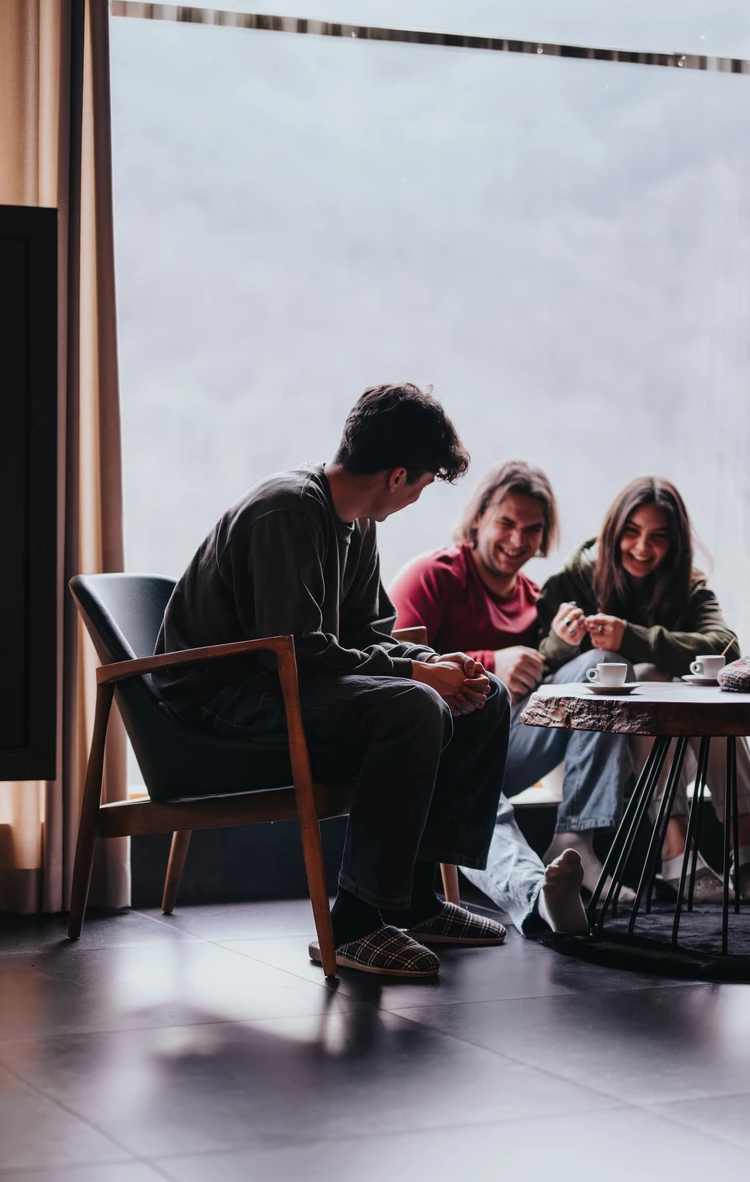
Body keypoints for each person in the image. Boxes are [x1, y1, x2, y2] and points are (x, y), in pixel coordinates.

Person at [156, 384, 515, 979]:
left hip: (289, 679)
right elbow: (294, 649)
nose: (418, 497)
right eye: (424, 485)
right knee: (415, 706)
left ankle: (418, 901)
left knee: (481, 696)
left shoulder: (358, 523)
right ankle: (353, 924)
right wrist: (412, 672)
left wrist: (439, 668)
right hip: (222, 695)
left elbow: (367, 633)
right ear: (397, 476)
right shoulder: (288, 510)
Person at [525, 477, 750, 904]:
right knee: (651, 677)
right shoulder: (574, 581)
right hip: (589, 755)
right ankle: (677, 852)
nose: (642, 548)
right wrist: (564, 643)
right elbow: (541, 664)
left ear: (675, 543)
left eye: (658, 537)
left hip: (671, 753)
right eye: (632, 533)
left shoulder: (687, 587)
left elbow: (727, 649)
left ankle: (746, 852)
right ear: (613, 531)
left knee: (710, 697)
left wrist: (631, 637)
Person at [389, 461, 589, 934]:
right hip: (435, 749)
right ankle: (538, 897)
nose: (519, 541)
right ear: (478, 518)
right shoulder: (433, 575)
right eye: (507, 523)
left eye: (533, 530)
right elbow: (389, 659)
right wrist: (489, 661)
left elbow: (545, 677)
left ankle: (579, 836)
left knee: (596, 667)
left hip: (508, 745)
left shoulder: (537, 599)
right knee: (480, 792)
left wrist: (565, 648)